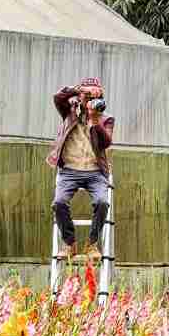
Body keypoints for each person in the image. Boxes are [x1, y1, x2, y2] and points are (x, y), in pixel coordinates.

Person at [47, 78, 115, 262]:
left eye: (96, 96)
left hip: (94, 172)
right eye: (89, 96)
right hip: (69, 170)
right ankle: (70, 243)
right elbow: (57, 98)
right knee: (59, 203)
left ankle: (92, 244)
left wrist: (95, 122)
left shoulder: (106, 119)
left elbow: (105, 143)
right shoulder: (69, 111)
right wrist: (77, 90)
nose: (92, 100)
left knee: (102, 202)